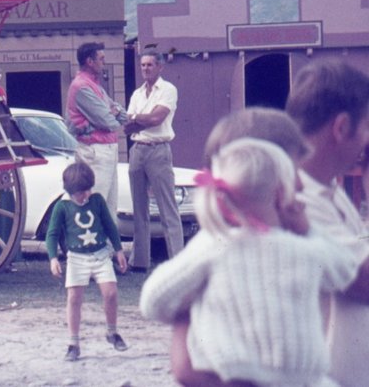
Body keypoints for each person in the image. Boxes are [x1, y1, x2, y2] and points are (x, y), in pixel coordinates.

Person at [141, 137, 357, 387]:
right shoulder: (304, 250)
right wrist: (308, 230)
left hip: (234, 377)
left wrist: (190, 305)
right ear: (281, 196)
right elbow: (345, 268)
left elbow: (152, 300)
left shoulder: (213, 244)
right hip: (303, 379)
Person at [170, 107, 312, 387]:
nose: (299, 184)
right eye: (291, 172)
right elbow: (185, 368)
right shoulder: (211, 251)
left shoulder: (289, 241)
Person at [285, 60, 369, 387]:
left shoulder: (328, 191)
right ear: (341, 127)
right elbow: (362, 280)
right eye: (365, 128)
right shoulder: (293, 200)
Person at [45, 161, 129, 362]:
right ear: (71, 191)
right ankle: (73, 343)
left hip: (100, 254)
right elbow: (52, 234)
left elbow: (109, 226)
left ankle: (112, 332)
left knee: (110, 293)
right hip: (77, 258)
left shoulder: (97, 201)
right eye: (82, 192)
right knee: (74, 298)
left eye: (89, 189)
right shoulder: (62, 207)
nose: (87, 194)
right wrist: (53, 258)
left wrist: (118, 250)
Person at [123, 48, 182, 271]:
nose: (145, 69)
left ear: (160, 66)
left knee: (168, 208)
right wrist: (139, 120)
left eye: (149, 65)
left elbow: (158, 119)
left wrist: (137, 119)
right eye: (143, 65)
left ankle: (178, 261)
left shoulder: (168, 90)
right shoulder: (137, 94)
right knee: (139, 208)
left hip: (158, 150)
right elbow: (127, 126)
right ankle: (139, 261)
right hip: (138, 150)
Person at [65, 42, 127, 216]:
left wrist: (112, 112)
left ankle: (105, 243)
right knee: (95, 203)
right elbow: (109, 122)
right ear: (89, 61)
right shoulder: (82, 86)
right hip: (95, 151)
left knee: (108, 206)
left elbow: (121, 114)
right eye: (101, 58)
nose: (104, 62)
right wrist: (112, 112)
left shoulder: (94, 86)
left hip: (104, 150)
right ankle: (94, 242)